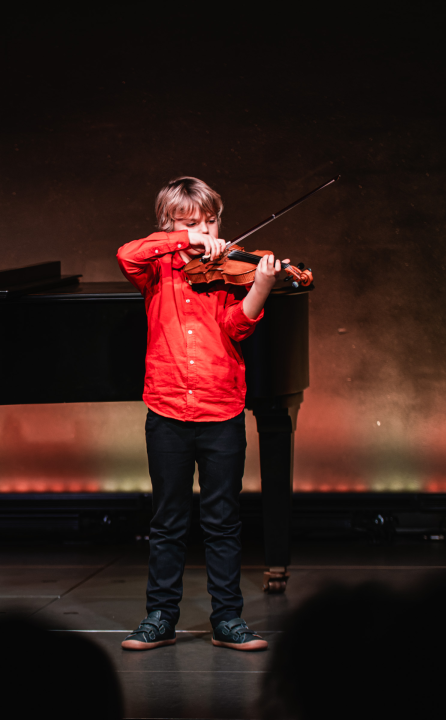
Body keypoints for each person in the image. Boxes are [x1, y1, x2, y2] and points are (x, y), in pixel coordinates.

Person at [116, 177, 286, 652]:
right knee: (167, 520)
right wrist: (184, 239)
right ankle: (160, 617)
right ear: (169, 224)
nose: (206, 231)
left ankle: (227, 619)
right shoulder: (157, 266)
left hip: (221, 406)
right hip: (168, 406)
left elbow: (236, 326)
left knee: (222, 521)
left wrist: (263, 286)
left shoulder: (231, 266)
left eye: (209, 221)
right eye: (191, 223)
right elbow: (127, 254)